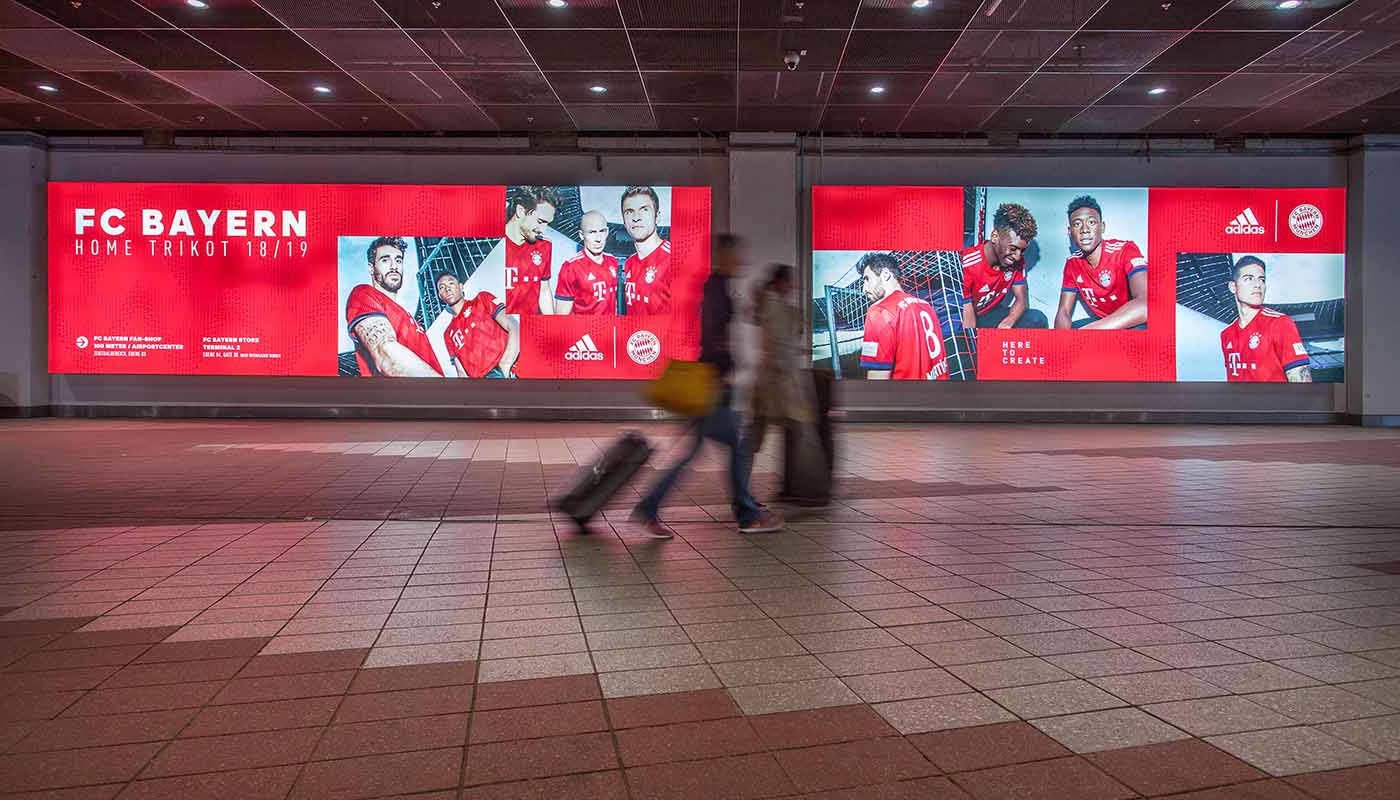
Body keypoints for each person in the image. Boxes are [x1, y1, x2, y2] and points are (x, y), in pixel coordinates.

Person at [632, 234, 784, 538]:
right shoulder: (717, 288)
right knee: (735, 448)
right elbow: (714, 334)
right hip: (715, 384)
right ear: (725, 255)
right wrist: (726, 368)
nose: (741, 260)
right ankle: (746, 514)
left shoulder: (721, 286)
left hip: (715, 382)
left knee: (720, 449)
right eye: (736, 254)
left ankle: (652, 507)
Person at [345, 236, 444, 377]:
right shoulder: (364, 294)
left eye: (398, 260)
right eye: (385, 260)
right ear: (371, 268)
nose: (394, 266)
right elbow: (386, 355)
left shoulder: (409, 317)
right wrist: (445, 391)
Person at [1054, 195, 1148, 330]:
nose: (1084, 230)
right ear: (1070, 232)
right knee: (1067, 330)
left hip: (1131, 322)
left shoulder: (1124, 250)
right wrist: (1061, 344)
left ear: (1102, 227)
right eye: (1077, 224)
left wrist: (1089, 332)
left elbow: (1146, 303)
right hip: (1102, 322)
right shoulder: (1072, 263)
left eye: (1091, 222)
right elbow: (1064, 312)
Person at [858, 253, 950, 381]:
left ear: (885, 274)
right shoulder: (925, 305)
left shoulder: (879, 311)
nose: (864, 289)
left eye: (867, 279)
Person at [1220, 255, 1311, 382]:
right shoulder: (1226, 335)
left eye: (1262, 279)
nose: (1258, 284)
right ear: (1233, 287)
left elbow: (1303, 385)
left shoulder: (1280, 323)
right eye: (1249, 279)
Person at [960, 203, 1047, 330]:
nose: (1017, 256)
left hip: (989, 315)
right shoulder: (967, 264)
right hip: (962, 317)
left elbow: (1021, 300)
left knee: (1037, 319)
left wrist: (1008, 322)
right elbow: (967, 320)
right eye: (1013, 248)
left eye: (1022, 251)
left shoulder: (1016, 261)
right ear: (995, 236)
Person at [435, 272, 519, 378]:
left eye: (451, 283)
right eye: (442, 287)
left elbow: (514, 326)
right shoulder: (448, 334)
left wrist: (505, 365)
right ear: (440, 296)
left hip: (509, 371)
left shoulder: (482, 299)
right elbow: (461, 373)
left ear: (461, 287)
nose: (447, 289)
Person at [504, 186, 558, 316]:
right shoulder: (492, 246)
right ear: (521, 211)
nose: (543, 230)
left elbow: (543, 290)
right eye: (540, 221)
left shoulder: (544, 246)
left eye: (547, 223)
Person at [554, 210, 619, 315]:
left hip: (610, 329)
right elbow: (561, 317)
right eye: (592, 232)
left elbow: (613, 304)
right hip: (584, 330)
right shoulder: (571, 267)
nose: (598, 239)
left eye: (601, 231)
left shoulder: (613, 262)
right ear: (581, 235)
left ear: (607, 232)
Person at [621, 186, 673, 314]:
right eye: (629, 211)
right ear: (624, 221)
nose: (636, 217)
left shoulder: (673, 260)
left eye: (644, 210)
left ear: (657, 217)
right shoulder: (629, 263)